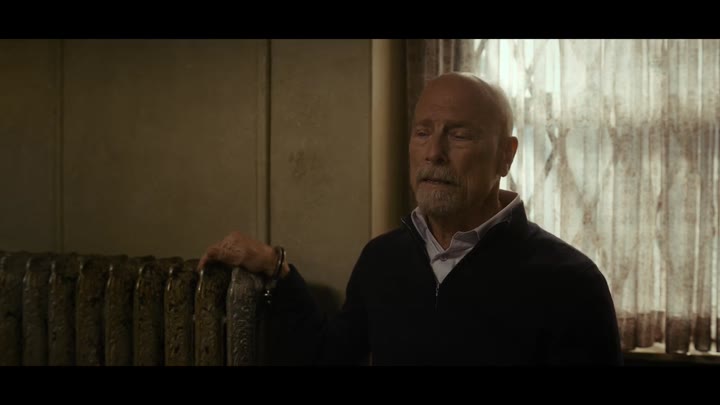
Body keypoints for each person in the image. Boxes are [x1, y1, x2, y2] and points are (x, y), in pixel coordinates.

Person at [198, 72, 623, 366]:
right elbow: (329, 355)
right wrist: (277, 268)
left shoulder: (570, 282)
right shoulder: (382, 259)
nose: (433, 153)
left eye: (459, 134)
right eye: (423, 132)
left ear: (505, 156)